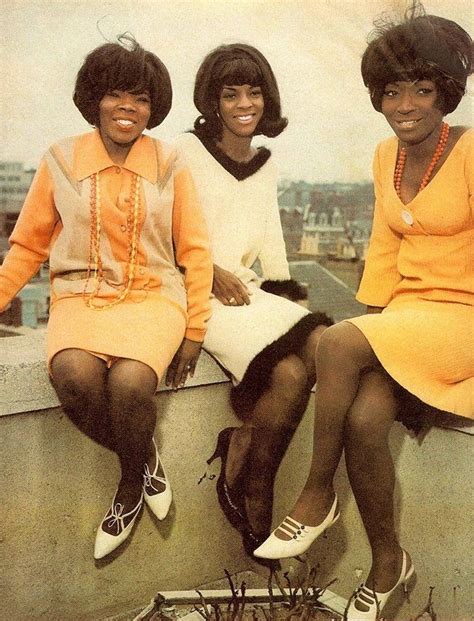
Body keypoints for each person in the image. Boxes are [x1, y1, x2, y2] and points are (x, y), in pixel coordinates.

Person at [254, 5, 473, 619]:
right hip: (408, 322)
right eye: (391, 91)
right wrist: (375, 337)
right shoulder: (386, 157)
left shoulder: (473, 152)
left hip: (464, 322)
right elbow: (382, 252)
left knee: (335, 341)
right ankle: (388, 561)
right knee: (363, 418)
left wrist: (360, 339)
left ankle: (318, 494)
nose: (406, 104)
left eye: (422, 90)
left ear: (446, 93)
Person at [0, 36, 213, 561]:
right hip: (79, 295)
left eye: (140, 98)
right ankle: (143, 461)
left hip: (153, 297)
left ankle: (126, 490)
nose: (128, 108)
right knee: (73, 378)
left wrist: (195, 331)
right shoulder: (60, 159)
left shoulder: (170, 163)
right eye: (116, 94)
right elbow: (28, 246)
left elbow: (196, 250)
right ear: (95, 98)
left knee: (132, 382)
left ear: (152, 107)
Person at [172, 43, 332, 565]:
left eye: (254, 91)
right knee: (288, 367)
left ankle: (246, 464)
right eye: (230, 93)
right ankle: (257, 490)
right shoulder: (184, 151)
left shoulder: (265, 163)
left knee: (314, 350)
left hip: (245, 293)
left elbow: (271, 238)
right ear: (212, 101)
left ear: (267, 98)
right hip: (192, 291)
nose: (245, 103)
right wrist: (206, 269)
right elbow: (158, 229)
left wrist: (283, 291)